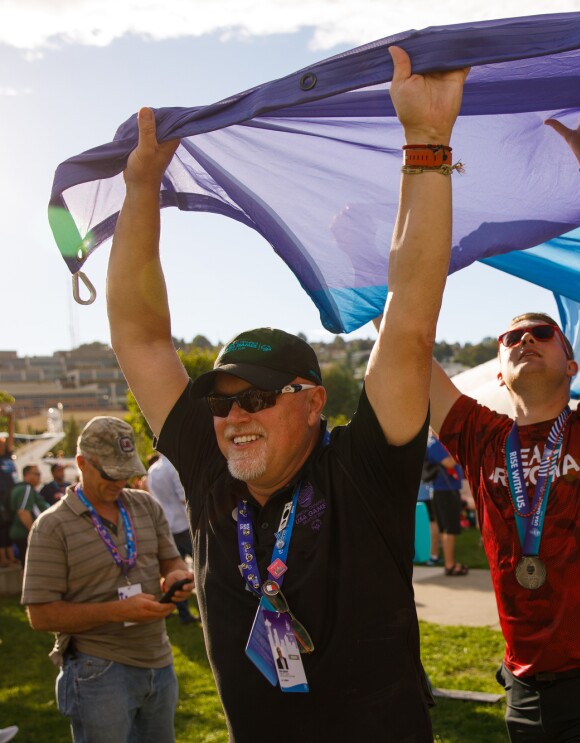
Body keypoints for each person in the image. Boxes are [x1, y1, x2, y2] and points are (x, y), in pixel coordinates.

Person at [103, 46, 467, 741]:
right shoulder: (213, 473)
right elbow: (142, 338)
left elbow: (412, 320)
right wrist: (142, 188)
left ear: (311, 402)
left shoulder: (363, 469)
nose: (235, 415)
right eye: (223, 401)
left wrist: (425, 143)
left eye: (258, 398)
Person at [431, 103, 580, 741]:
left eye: (541, 332)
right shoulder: (480, 437)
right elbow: (407, 351)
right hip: (526, 684)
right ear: (499, 371)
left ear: (571, 360)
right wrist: (371, 268)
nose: (524, 339)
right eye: (511, 338)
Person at [21, 416, 194, 743]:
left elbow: (170, 560)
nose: (120, 481)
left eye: (126, 472)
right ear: (81, 464)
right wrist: (119, 611)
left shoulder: (144, 505)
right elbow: (41, 615)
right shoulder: (52, 527)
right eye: (110, 473)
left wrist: (176, 576)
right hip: (97, 669)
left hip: (159, 659)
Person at [144, 454, 198, 624]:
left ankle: (184, 614)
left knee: (177, 574)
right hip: (182, 523)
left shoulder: (153, 470)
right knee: (203, 565)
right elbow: (184, 498)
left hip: (168, 524)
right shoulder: (172, 467)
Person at [425, 431, 468, 575]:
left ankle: (449, 563)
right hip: (445, 490)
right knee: (449, 528)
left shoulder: (433, 442)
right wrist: (459, 450)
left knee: (445, 528)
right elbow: (448, 462)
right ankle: (450, 565)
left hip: (442, 490)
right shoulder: (434, 443)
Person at [10, 465, 50, 565]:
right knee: (31, 565)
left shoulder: (24, 488)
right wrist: (34, 533)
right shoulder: (26, 488)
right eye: (37, 474)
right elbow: (23, 511)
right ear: (27, 475)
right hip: (25, 534)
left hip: (25, 534)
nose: (39, 477)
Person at [0, 408, 17, 568]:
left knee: (9, 525)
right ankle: (2, 557)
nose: (3, 443)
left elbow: (11, 435)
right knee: (2, 527)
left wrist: (10, 418)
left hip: (10, 496)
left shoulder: (7, 456)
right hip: (1, 496)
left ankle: (10, 555)